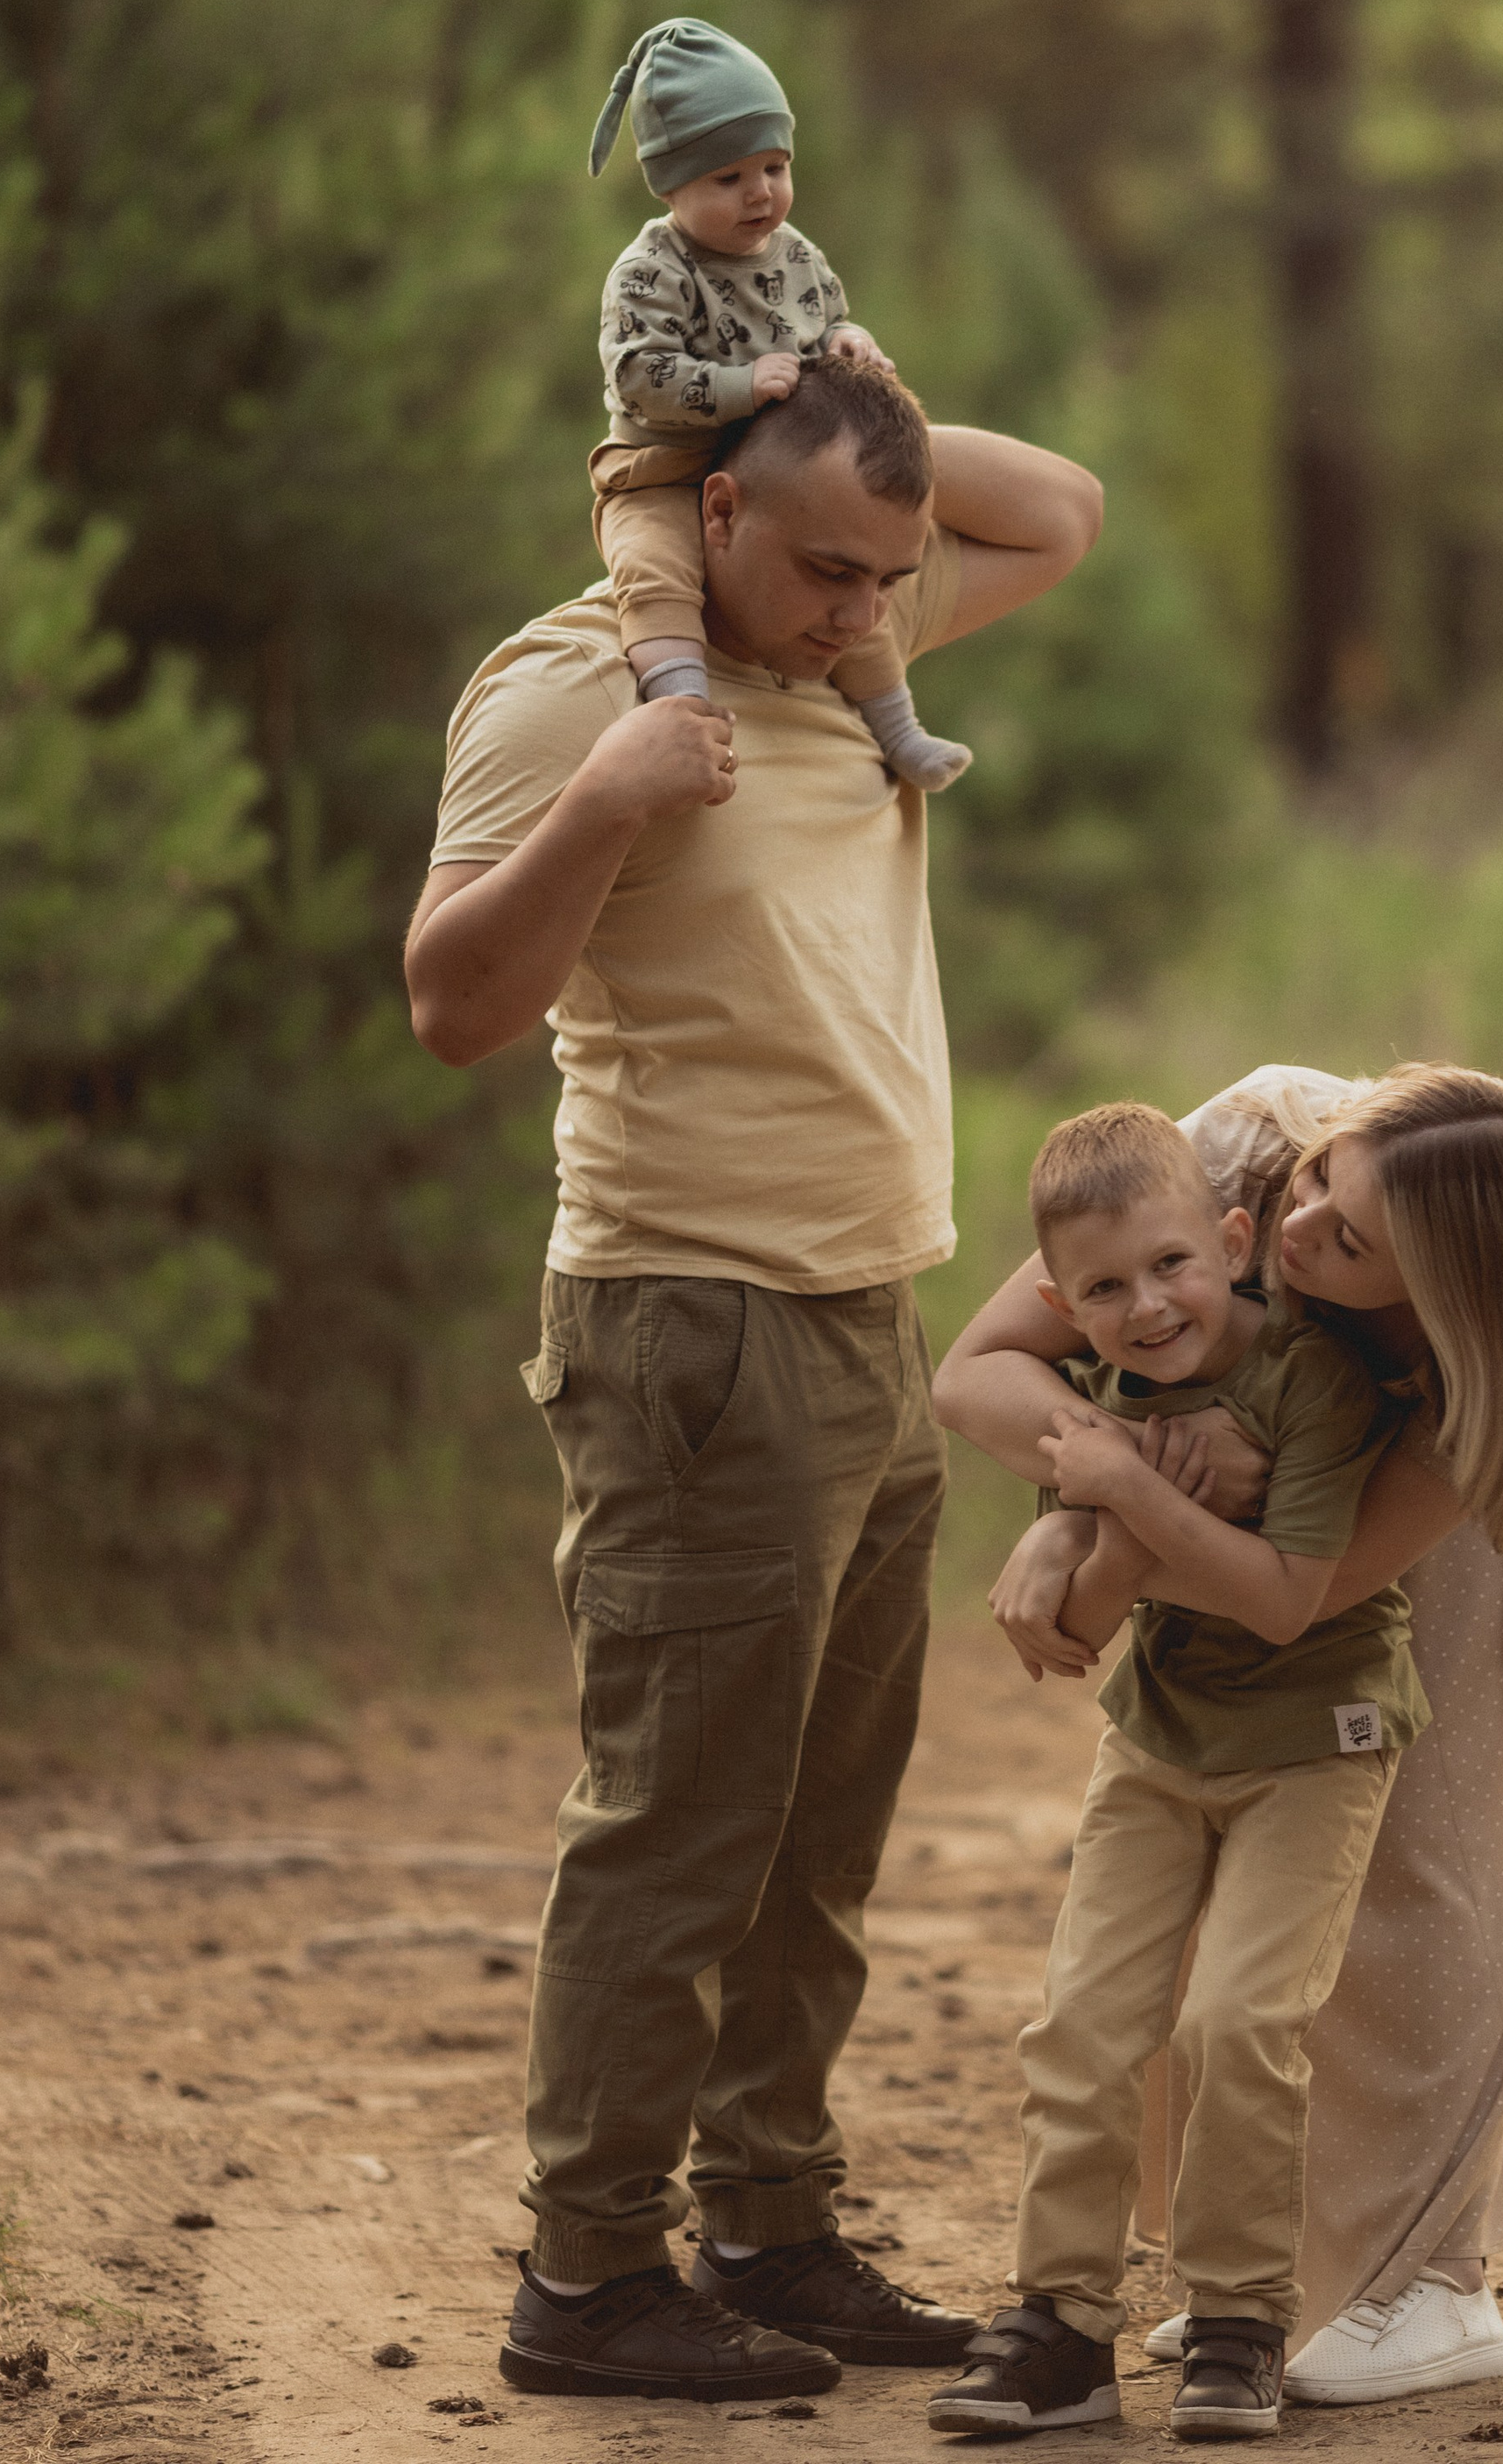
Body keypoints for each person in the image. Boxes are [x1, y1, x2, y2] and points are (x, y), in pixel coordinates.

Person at [404, 359, 1102, 2407]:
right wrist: (606, 803)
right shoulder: (564, 694)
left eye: (888, 571)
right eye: (819, 566)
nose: (862, 609)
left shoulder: (851, 622)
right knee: (679, 1821)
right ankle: (589, 2270)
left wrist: (821, 370)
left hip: (866, 1312)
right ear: (704, 509)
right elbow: (449, 1000)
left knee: (815, 1822)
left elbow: (1054, 503)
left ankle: (768, 2221)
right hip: (688, 1324)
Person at [936, 1062, 1503, 2411]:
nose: (1298, 1223)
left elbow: (1297, 1597)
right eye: (1324, 1176)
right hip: (1210, 1581)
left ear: (1438, 1292)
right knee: (1173, 1981)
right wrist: (1093, 1487)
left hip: (1422, 1559)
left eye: (1349, 1239)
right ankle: (1222, 2284)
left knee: (1445, 1869)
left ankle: (1433, 2273)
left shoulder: (1474, 1398)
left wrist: (1119, 1510)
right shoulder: (1253, 1146)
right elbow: (983, 1369)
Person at [928, 1103, 1425, 2444]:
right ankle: (1060, 2329)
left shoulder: (1313, 1382)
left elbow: (1283, 1602)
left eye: (1171, 1267)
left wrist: (1122, 1500)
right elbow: (1079, 1638)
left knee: (1239, 2023)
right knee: (1081, 2027)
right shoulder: (1103, 1405)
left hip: (1319, 1742)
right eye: (1104, 1291)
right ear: (1059, 1304)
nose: (1147, 1310)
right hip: (1157, 1743)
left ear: (1233, 1240)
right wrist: (1075, 1524)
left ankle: (1239, 2322)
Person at [585, 13, 970, 790]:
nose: (761, 194)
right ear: (671, 185)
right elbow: (637, 373)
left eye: (775, 167)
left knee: (848, 603)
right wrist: (736, 386)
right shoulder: (650, 269)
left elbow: (824, 320)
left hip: (775, 473)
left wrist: (848, 342)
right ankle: (683, 709)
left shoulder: (796, 254)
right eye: (728, 179)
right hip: (664, 467)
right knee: (655, 572)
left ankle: (898, 730)